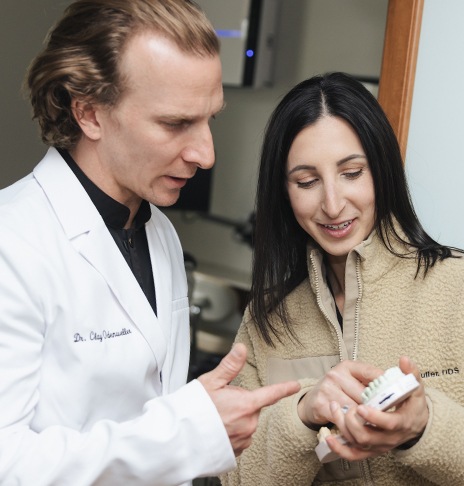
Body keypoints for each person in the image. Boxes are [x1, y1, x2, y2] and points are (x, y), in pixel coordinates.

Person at [0, 1, 300, 484]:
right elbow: (6, 462)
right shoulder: (11, 243)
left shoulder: (158, 231)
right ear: (89, 113)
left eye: (210, 121)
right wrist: (187, 435)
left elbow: (149, 408)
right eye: (175, 123)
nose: (205, 155)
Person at [220, 72, 464, 485]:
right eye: (307, 181)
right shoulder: (266, 323)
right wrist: (302, 413)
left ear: (382, 170)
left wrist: (424, 428)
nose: (333, 204)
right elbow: (234, 477)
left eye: (352, 173)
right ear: (284, 192)